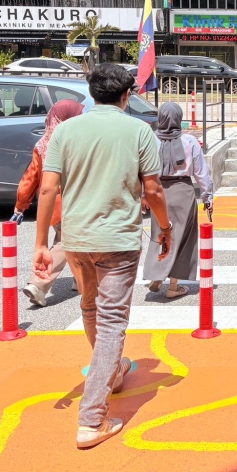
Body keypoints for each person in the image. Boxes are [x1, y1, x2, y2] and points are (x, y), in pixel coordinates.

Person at [33, 63, 172, 449]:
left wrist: (41, 243)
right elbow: (154, 189)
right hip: (118, 240)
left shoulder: (67, 131)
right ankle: (93, 418)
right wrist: (165, 227)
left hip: (76, 239)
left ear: (92, 93)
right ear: (127, 95)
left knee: (91, 309)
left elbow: (47, 190)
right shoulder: (138, 130)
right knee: (112, 322)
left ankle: (110, 372)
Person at [14, 99, 84, 307]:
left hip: (50, 206)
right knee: (66, 242)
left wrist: (21, 204)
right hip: (72, 203)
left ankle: (79, 282)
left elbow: (31, 177)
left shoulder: (43, 143)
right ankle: (38, 284)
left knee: (72, 240)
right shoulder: (75, 143)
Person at [142, 103, 213, 299]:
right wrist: (207, 197)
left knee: (161, 233)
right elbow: (201, 174)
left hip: (157, 191)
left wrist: (142, 195)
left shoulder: (150, 141)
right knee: (184, 237)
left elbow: (142, 170)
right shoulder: (189, 141)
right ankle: (173, 286)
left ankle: (158, 273)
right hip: (183, 191)